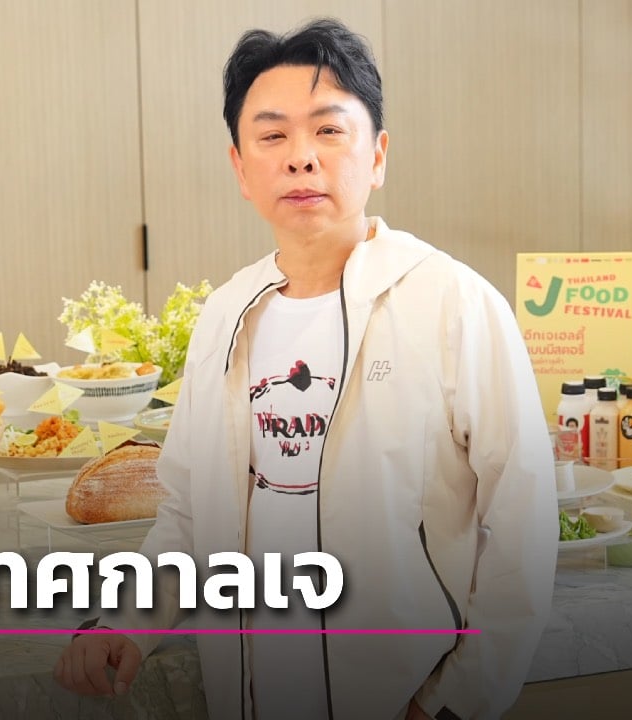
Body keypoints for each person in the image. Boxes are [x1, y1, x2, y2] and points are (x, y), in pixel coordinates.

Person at [54, 17, 557, 720]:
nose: (300, 158)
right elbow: (188, 510)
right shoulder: (226, 315)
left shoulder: (453, 304)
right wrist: (127, 626)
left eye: (328, 130)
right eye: (272, 136)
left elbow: (524, 521)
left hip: (408, 699)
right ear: (240, 167)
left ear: (377, 155)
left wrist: (457, 704)